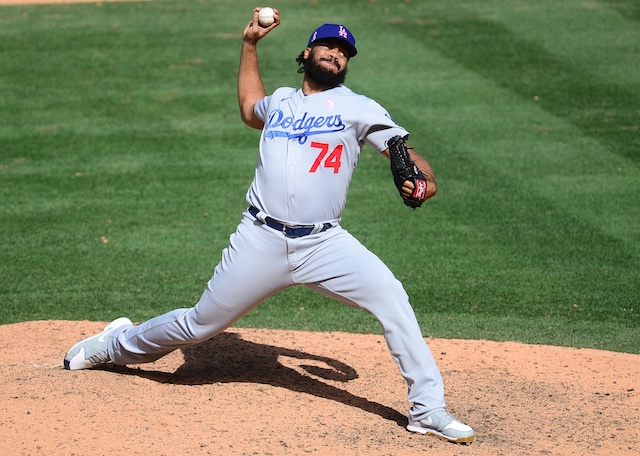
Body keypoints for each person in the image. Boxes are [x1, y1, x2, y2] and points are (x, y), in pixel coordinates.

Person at [64, 7, 475, 445]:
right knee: (198, 326)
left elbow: (400, 149)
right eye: (328, 45)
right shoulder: (280, 101)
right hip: (259, 238)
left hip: (324, 244)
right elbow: (247, 108)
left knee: (391, 296)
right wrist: (249, 44)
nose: (336, 54)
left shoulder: (359, 107)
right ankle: (115, 343)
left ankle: (427, 409)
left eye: (344, 51)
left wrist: (424, 182)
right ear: (307, 52)